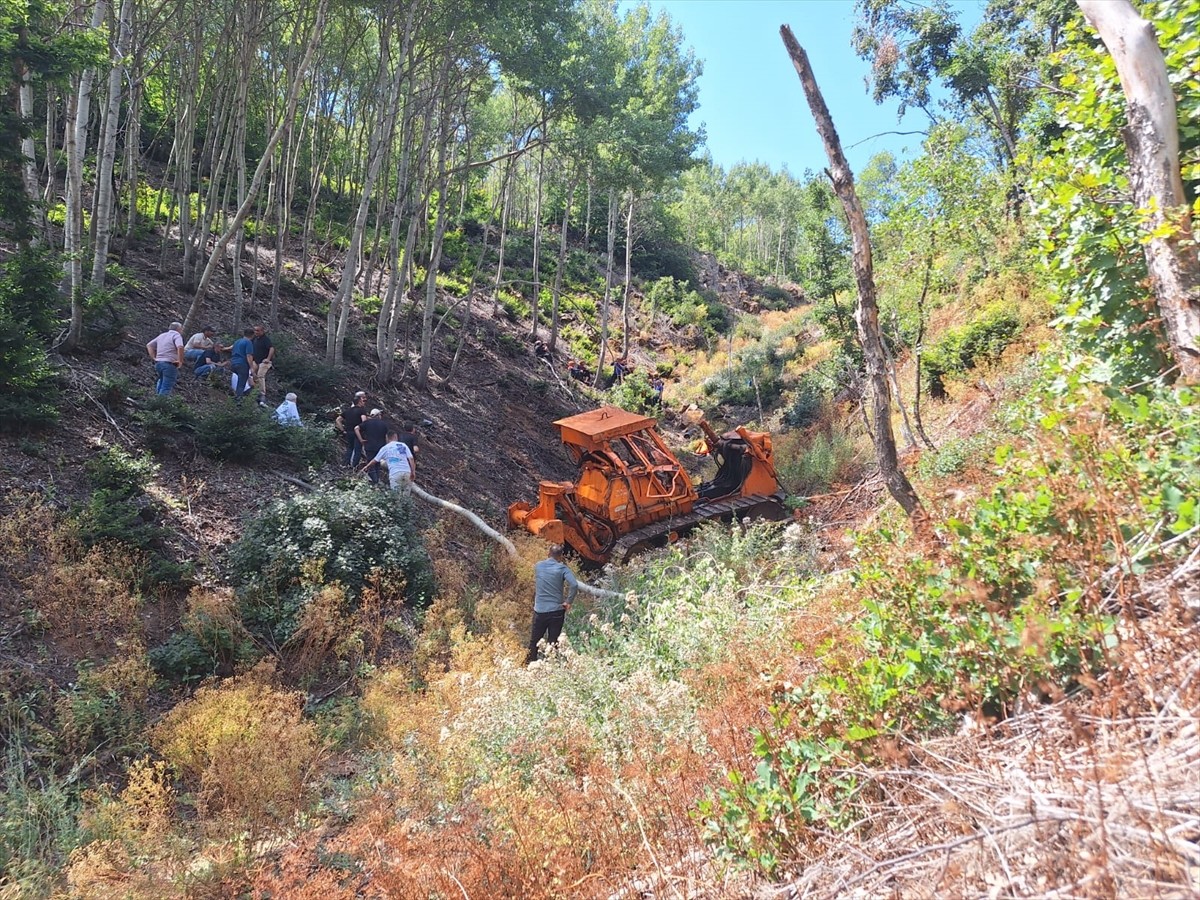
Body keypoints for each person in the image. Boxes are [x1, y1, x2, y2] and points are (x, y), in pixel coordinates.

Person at [526, 544, 578, 664]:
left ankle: (530, 665)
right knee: (553, 642)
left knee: (534, 641)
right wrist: (568, 602)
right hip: (557, 611)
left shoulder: (538, 566)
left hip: (540, 611)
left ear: (548, 554)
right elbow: (574, 585)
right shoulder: (563, 568)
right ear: (560, 557)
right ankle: (551, 666)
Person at [363, 429, 416, 493]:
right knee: (406, 496)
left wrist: (367, 467)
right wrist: (413, 472)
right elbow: (411, 458)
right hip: (407, 472)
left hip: (395, 473)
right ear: (396, 436)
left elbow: (375, 460)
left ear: (387, 438)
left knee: (395, 496)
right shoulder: (403, 445)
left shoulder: (385, 448)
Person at [146, 321, 185, 395]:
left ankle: (156, 401)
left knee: (161, 381)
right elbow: (180, 347)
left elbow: (149, 345)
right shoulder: (176, 335)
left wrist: (154, 357)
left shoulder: (162, 335)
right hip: (169, 364)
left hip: (159, 363)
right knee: (166, 386)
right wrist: (180, 361)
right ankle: (161, 404)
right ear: (179, 329)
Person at [356, 408, 390, 483]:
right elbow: (386, 436)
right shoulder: (384, 424)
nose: (381, 416)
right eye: (380, 414)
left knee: (370, 464)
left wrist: (361, 439)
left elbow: (356, 428)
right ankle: (376, 480)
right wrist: (387, 447)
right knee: (377, 463)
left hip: (369, 447)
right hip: (380, 448)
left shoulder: (367, 422)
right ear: (377, 415)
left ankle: (375, 481)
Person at [336, 391, 369, 467]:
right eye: (363, 401)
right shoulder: (361, 410)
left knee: (350, 448)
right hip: (358, 433)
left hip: (348, 432)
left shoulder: (347, 411)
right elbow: (364, 421)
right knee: (357, 450)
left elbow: (338, 420)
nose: (364, 402)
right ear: (359, 401)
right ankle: (354, 466)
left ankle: (346, 464)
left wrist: (343, 430)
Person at [229, 327, 257, 401]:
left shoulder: (237, 341)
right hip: (242, 364)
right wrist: (251, 367)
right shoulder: (248, 342)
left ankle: (234, 396)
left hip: (233, 362)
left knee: (236, 379)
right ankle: (238, 399)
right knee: (241, 383)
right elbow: (249, 355)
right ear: (252, 335)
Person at [251, 324, 275, 407]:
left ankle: (262, 394)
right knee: (251, 373)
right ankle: (254, 391)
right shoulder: (254, 339)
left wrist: (268, 358)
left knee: (260, 375)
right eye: (255, 330)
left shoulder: (265, 339)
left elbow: (271, 348)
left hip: (264, 362)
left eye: (258, 330)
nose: (256, 332)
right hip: (256, 360)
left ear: (262, 331)